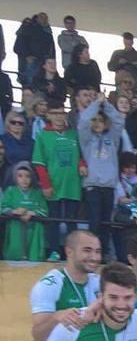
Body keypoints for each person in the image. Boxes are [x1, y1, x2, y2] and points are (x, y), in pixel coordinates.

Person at [32, 104, 82, 260]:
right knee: (53, 220)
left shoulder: (74, 134)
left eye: (62, 113)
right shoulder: (43, 136)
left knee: (71, 221)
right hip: (53, 186)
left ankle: (73, 253)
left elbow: (81, 156)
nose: (60, 116)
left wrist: (82, 165)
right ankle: (54, 251)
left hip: (72, 186)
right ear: (49, 116)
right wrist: (46, 185)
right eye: (56, 113)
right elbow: (39, 163)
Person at [2, 161, 47, 260]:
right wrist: (14, 211)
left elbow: (44, 211)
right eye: (20, 176)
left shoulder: (38, 193)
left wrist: (32, 213)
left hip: (34, 231)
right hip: (15, 229)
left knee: (33, 260)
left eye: (28, 176)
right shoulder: (10, 191)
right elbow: (2, 208)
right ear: (15, 177)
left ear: (33, 177)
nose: (24, 179)